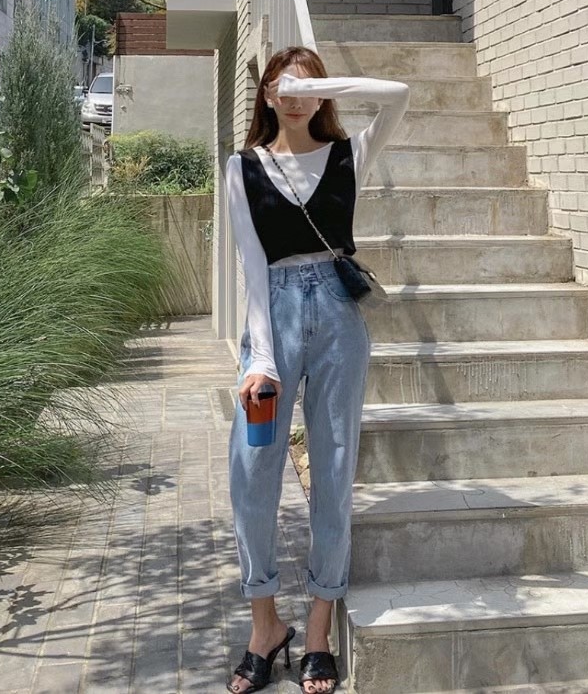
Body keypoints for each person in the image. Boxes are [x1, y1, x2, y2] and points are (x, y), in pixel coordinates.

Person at [225, 46, 410, 694]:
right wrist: (261, 357)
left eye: (309, 87)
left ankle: (318, 631)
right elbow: (250, 265)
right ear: (266, 94)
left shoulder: (348, 153)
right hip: (271, 321)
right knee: (251, 472)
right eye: (283, 85)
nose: (296, 96)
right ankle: (264, 625)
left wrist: (322, 82)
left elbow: (399, 95)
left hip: (338, 320)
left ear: (323, 93)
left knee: (333, 469)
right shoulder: (243, 166)